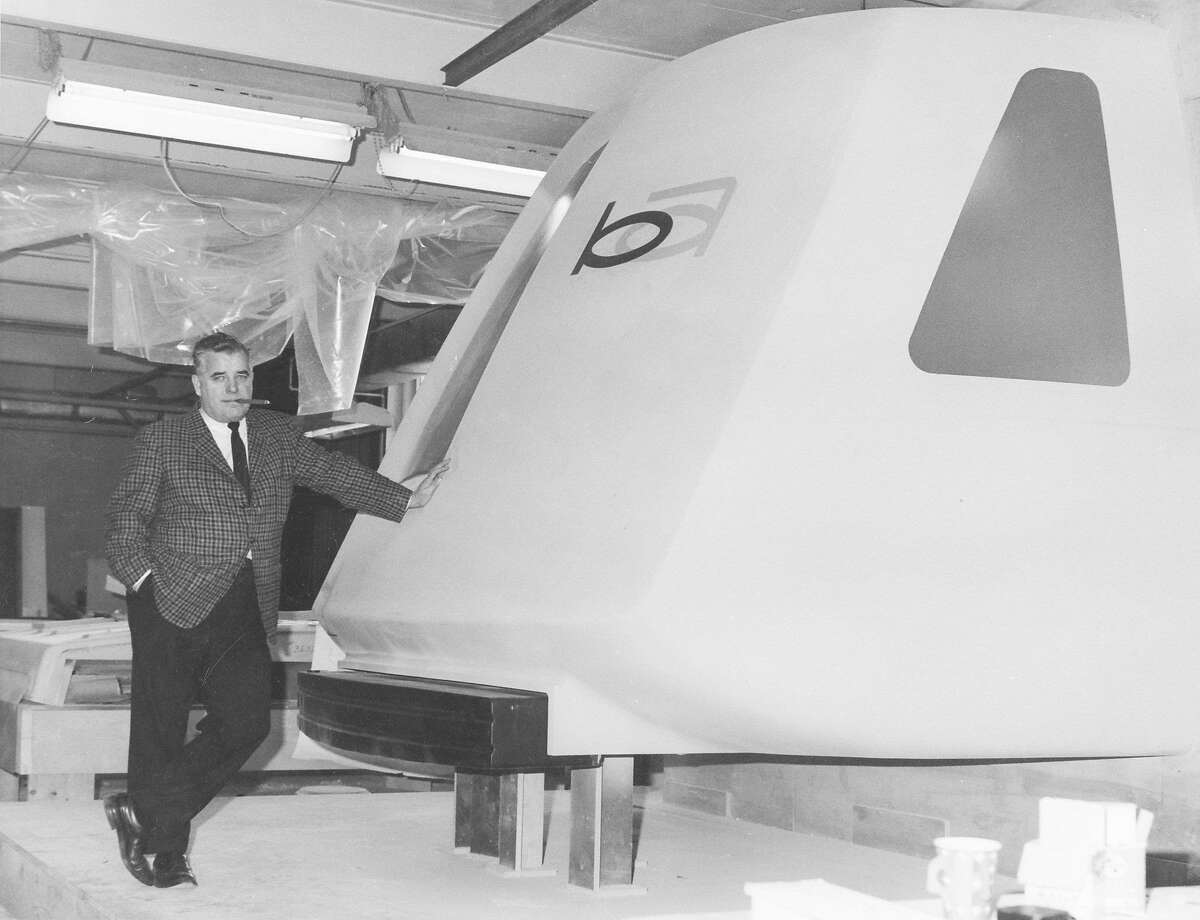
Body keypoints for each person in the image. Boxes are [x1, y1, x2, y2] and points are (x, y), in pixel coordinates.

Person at [103, 331, 448, 888]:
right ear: (198, 384)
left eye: (242, 375)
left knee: (246, 723)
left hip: (247, 598)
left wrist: (406, 499)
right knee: (159, 727)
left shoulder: (274, 435)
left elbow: (333, 475)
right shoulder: (164, 439)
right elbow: (126, 518)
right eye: (220, 377)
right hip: (170, 596)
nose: (234, 387)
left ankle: (145, 811)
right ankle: (166, 849)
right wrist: (143, 580)